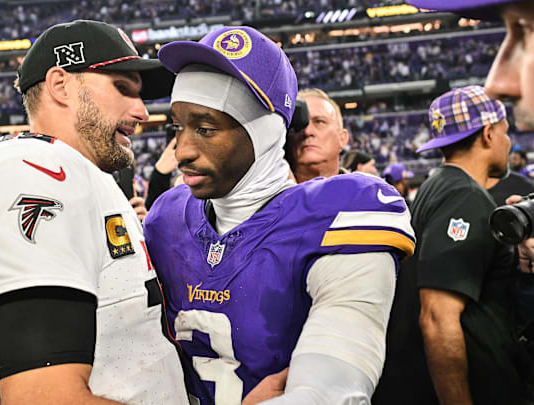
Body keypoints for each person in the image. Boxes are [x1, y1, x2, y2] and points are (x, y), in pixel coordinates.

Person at [146, 26, 416, 404]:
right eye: (179, 126)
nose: (183, 150)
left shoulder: (340, 211)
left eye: (205, 128)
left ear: (266, 133)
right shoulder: (167, 218)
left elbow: (332, 392)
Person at [0, 20, 188, 404]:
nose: (142, 112)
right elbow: (44, 398)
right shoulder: (30, 169)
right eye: (122, 89)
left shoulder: (82, 172)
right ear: (60, 85)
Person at [374, 86, 531, 405]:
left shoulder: (436, 185)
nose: (508, 140)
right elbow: (437, 318)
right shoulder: (465, 196)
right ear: (488, 134)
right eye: (504, 131)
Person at [285, 88, 349, 183]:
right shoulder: (263, 194)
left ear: (343, 138)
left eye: (319, 122)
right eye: (298, 124)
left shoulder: (367, 193)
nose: (307, 131)